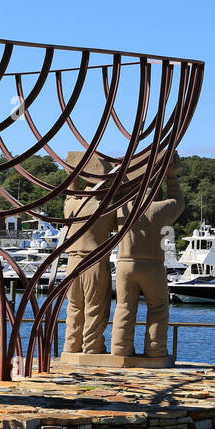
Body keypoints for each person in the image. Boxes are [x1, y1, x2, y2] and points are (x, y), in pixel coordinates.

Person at [111, 152, 183, 359]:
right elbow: (178, 202)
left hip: (125, 264)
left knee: (124, 308)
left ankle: (120, 350)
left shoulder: (121, 208)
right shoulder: (161, 208)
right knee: (158, 308)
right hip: (152, 265)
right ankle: (155, 351)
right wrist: (171, 176)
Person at [62, 152, 116, 356]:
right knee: (95, 307)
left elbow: (69, 191)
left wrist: (73, 175)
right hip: (94, 260)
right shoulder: (106, 206)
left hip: (72, 262)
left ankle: (71, 346)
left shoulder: (71, 205)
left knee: (74, 308)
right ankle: (92, 349)